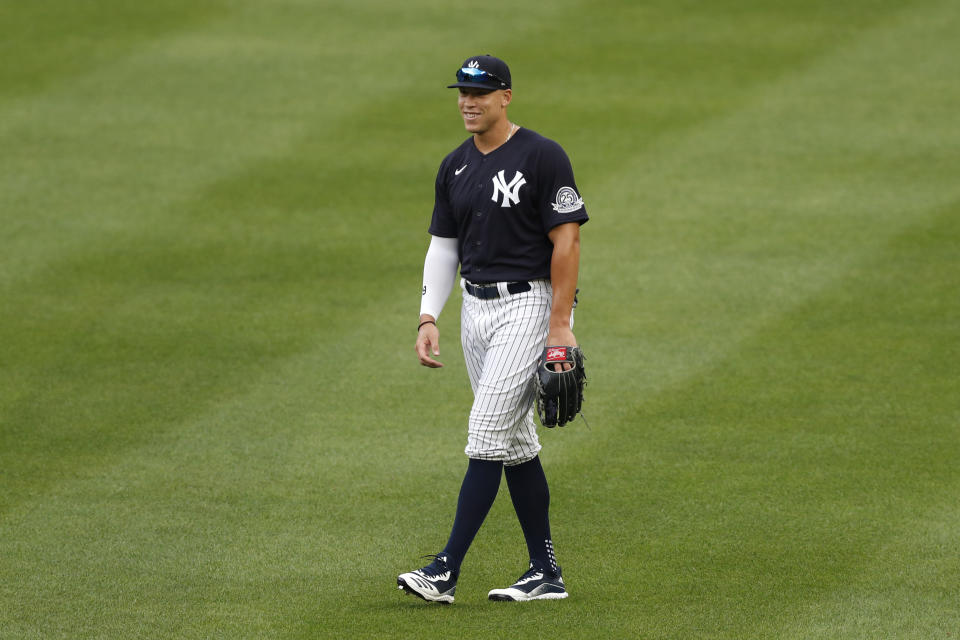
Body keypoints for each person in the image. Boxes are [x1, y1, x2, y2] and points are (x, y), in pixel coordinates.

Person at [397, 54, 588, 604]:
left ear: (506, 96)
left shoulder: (542, 156)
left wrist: (560, 326)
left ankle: (445, 570)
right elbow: (444, 246)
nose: (468, 101)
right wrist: (428, 314)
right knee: (516, 446)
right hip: (475, 313)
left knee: (484, 436)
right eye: (462, 92)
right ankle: (545, 573)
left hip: (530, 305)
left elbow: (568, 240)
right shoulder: (453, 165)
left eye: (481, 92)